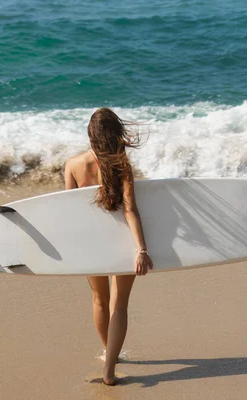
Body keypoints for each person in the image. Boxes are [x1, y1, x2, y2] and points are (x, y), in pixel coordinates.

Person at [64, 108, 154, 386]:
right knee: (120, 305)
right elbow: (130, 210)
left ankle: (108, 353)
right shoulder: (122, 166)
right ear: (115, 134)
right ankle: (110, 369)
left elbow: (68, 212)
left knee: (99, 300)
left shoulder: (72, 165)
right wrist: (141, 249)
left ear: (91, 135)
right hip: (122, 242)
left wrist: (72, 250)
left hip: (91, 244)